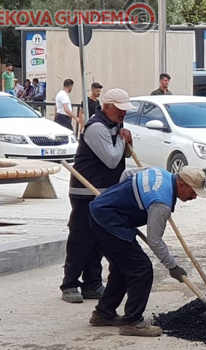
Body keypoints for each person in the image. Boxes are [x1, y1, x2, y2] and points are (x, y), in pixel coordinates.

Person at [86, 165, 206, 336]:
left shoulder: (159, 172)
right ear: (182, 184)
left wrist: (121, 201)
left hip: (101, 212)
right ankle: (133, 322)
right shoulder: (161, 203)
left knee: (123, 267)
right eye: (193, 191)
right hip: (109, 221)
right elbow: (154, 240)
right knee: (141, 269)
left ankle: (104, 313)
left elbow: (128, 174)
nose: (194, 196)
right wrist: (172, 266)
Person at [61, 88, 136, 304]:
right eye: (121, 110)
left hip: (106, 193)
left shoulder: (115, 125)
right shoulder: (95, 127)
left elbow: (124, 153)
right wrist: (122, 140)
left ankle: (92, 283)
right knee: (81, 239)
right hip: (86, 191)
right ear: (108, 107)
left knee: (99, 240)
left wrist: (127, 140)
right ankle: (69, 284)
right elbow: (112, 159)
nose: (124, 114)